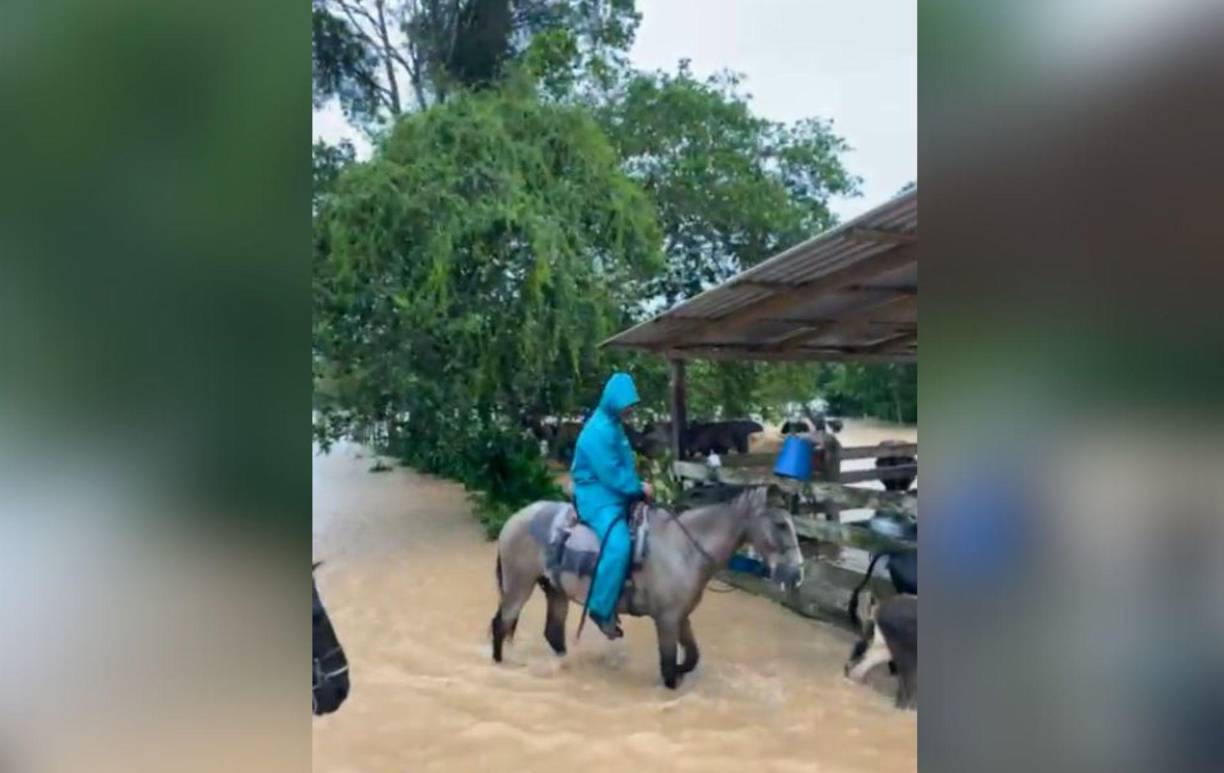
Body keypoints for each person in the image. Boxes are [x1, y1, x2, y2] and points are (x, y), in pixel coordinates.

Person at [570, 372, 653, 640]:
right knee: (619, 545)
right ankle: (600, 607)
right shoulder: (598, 431)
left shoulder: (613, 423)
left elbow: (622, 466)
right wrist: (638, 488)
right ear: (615, 401)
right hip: (596, 493)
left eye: (633, 404)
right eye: (628, 404)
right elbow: (610, 472)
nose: (631, 409)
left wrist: (637, 484)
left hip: (614, 487)